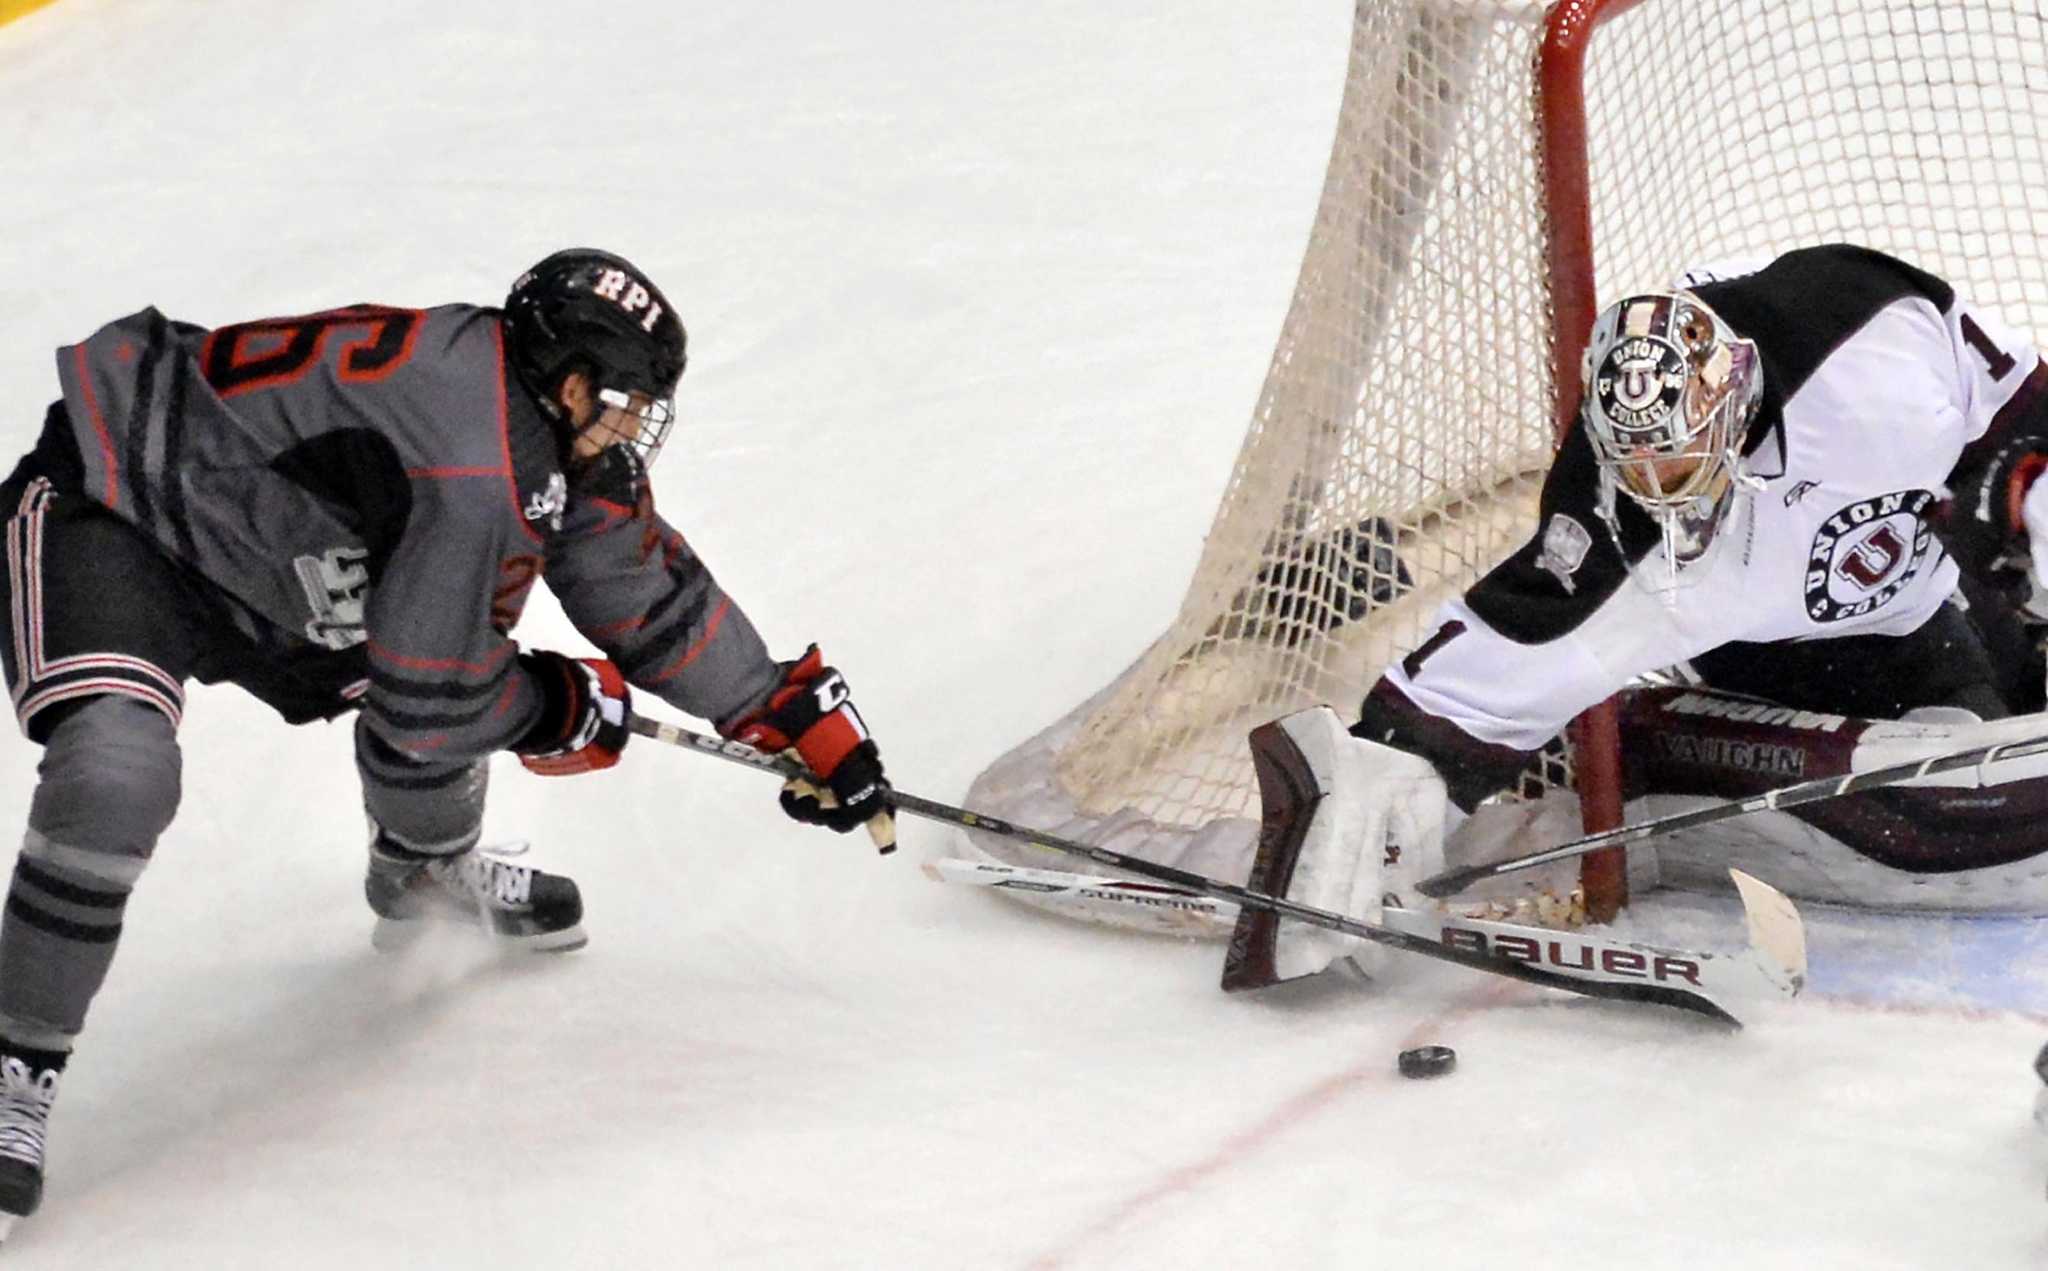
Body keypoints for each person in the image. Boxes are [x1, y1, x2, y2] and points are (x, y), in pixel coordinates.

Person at [0, 249, 896, 1233]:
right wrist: (552, 703)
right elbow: (435, 691)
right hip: (121, 513)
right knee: (117, 774)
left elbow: (637, 589)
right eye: (623, 399)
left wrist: (780, 707)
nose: (633, 425)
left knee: (443, 625)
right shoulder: (478, 456)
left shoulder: (532, 419)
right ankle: (14, 1057)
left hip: (280, 552)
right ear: (566, 381)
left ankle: (423, 871)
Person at [1236, 244, 2048, 981]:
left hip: (1923, 595)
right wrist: (1380, 775)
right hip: (1755, 651)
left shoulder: (1862, 345)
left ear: (1728, 398)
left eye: (1679, 457)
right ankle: (1645, 752)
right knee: (1936, 805)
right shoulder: (1606, 520)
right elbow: (1502, 651)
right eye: (1638, 464)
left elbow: (2018, 408)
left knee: (1999, 738)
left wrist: (2024, 484)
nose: (1659, 488)